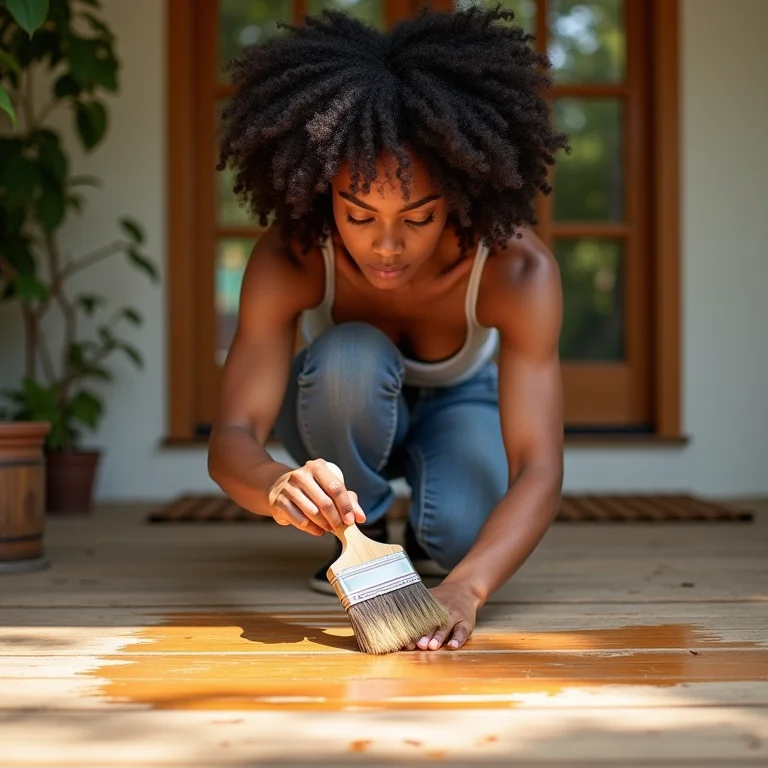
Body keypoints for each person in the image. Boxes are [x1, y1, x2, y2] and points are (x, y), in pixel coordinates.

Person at [208, 5, 569, 652]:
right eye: (358, 213)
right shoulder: (292, 255)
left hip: (462, 406)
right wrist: (275, 484)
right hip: (335, 409)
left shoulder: (516, 270)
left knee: (463, 537)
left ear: (462, 192)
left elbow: (540, 467)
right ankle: (362, 534)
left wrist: (469, 586)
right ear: (324, 192)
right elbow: (231, 435)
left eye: (420, 217)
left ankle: (432, 549)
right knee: (350, 357)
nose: (387, 246)